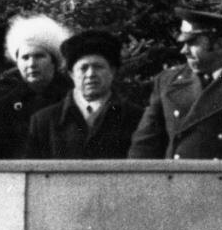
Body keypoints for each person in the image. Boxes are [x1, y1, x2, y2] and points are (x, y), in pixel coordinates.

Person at [128, 8, 222, 160]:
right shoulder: (167, 81)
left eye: (192, 43)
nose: (184, 51)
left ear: (220, 45)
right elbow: (144, 146)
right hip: (176, 182)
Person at [24, 29, 142, 160]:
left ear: (112, 71)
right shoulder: (44, 121)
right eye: (83, 68)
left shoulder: (135, 118)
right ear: (71, 74)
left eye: (98, 67)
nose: (91, 74)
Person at [0, 15, 72, 160]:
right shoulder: (4, 107)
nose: (31, 64)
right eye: (25, 57)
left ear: (54, 60)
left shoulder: (73, 99)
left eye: (39, 56)